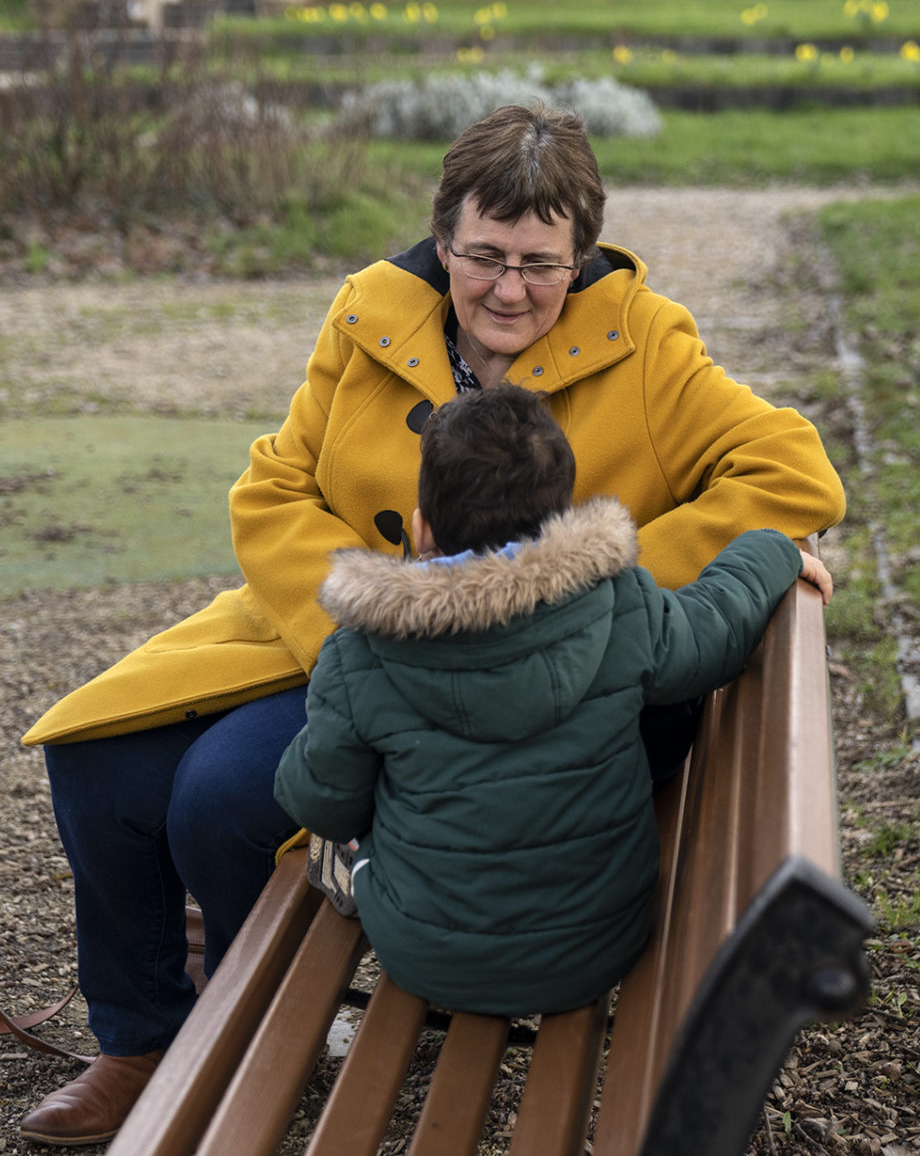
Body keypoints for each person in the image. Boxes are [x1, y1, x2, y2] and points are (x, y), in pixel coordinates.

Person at [17, 103, 846, 1145]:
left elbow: (791, 473)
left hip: (513, 681)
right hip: (340, 639)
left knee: (219, 797)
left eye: (541, 264)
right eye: (485, 256)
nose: (510, 289)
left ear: (582, 255)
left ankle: (253, 1030)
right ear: (443, 241)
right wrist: (365, 628)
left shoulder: (644, 345)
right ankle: (141, 1038)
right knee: (98, 760)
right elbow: (274, 487)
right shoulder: (371, 315)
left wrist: (569, 587)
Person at [274, 384, 832, 1016]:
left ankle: (361, 873)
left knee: (356, 836)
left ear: (422, 528)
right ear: (561, 521)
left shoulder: (362, 652)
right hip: (599, 943)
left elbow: (319, 801)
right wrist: (768, 551)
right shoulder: (616, 604)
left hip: (429, 957)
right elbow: (715, 628)